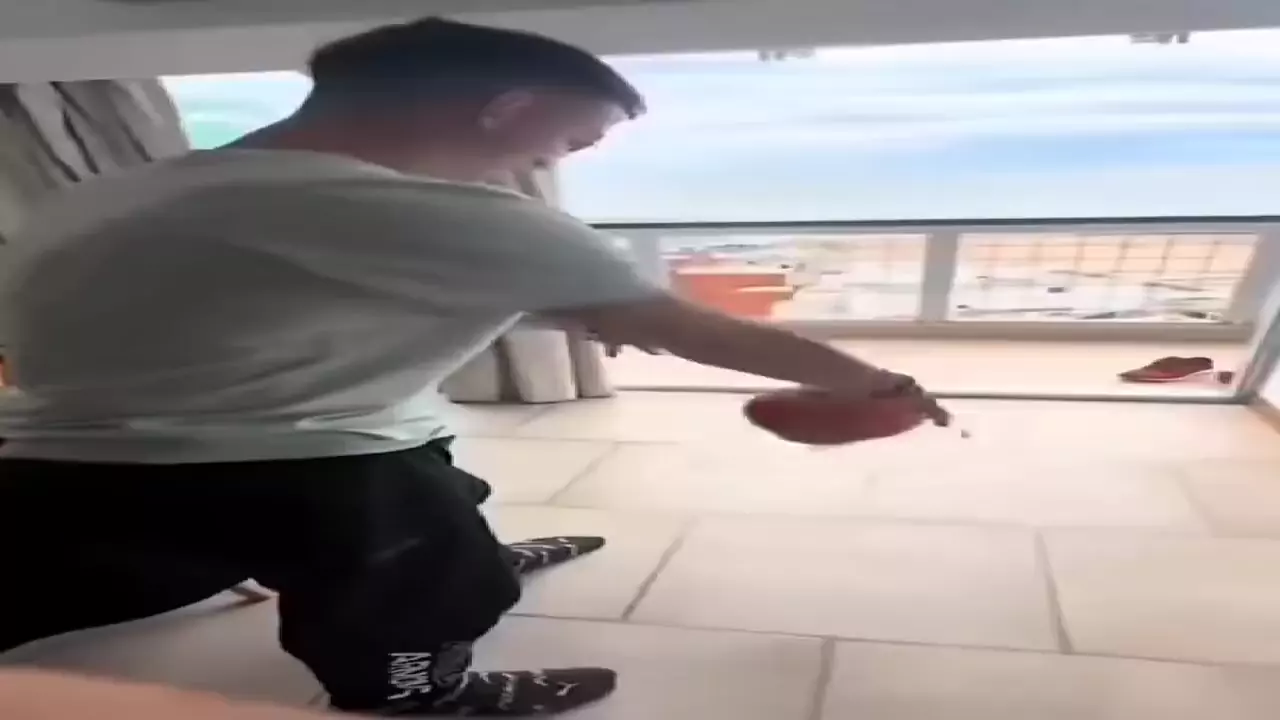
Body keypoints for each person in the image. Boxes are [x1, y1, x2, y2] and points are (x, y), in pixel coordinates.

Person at [0, 17, 946, 717]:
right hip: (295, 461)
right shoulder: (427, 210)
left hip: (55, 459)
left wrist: (574, 303)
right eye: (570, 140)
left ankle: (443, 557)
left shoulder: (127, 191)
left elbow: (253, 290)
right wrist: (880, 387)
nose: (550, 159)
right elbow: (693, 327)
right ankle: (418, 691)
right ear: (509, 109)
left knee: (437, 489)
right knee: (424, 575)